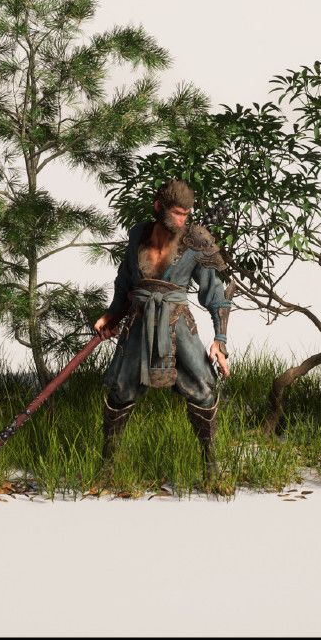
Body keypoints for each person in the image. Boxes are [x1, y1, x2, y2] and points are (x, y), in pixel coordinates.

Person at [92, 179, 234, 479]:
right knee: (119, 390)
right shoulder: (138, 235)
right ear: (159, 207)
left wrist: (219, 341)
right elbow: (124, 281)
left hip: (177, 323)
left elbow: (216, 294)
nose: (182, 219)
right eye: (177, 212)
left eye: (186, 213)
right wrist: (112, 314)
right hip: (138, 320)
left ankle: (211, 465)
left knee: (204, 389)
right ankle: (106, 467)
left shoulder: (197, 240)